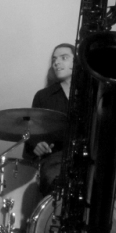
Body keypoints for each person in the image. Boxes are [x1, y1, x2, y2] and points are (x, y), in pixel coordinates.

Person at [23, 43, 74, 196]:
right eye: (54, 60)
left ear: (77, 62)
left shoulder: (92, 94)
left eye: (64, 57)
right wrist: (37, 145)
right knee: (56, 181)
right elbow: (32, 130)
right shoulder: (43, 96)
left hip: (88, 158)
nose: (56, 62)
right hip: (56, 159)